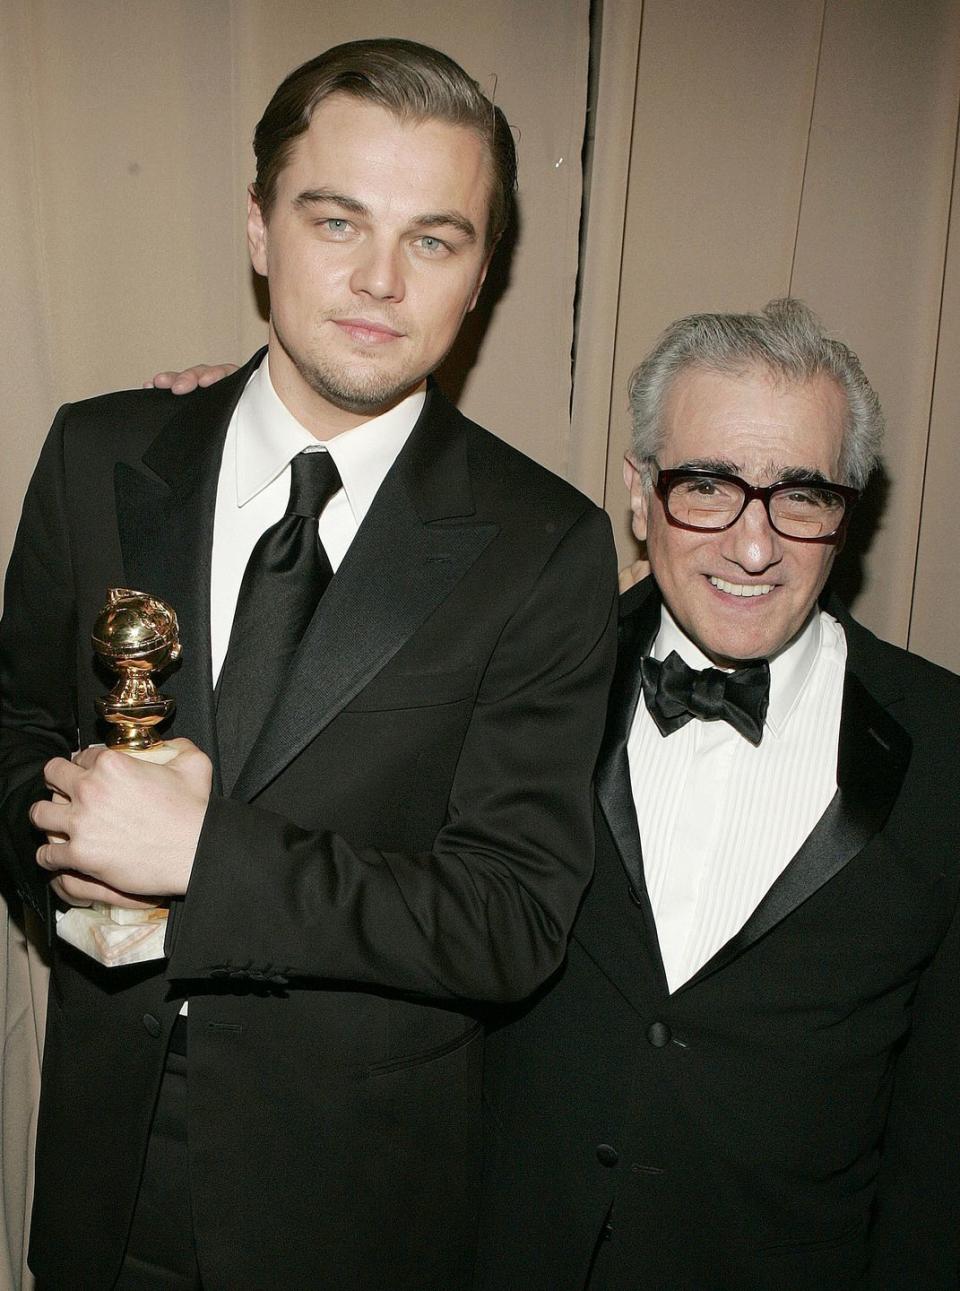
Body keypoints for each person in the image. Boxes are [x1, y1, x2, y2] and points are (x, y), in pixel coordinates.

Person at [0, 38, 617, 1291]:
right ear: (260, 228)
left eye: (434, 240)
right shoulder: (96, 455)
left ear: (481, 274)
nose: (380, 280)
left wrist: (205, 861)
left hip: (353, 1213)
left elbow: (511, 918)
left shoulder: (545, 546)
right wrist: (61, 853)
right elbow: (13, 726)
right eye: (337, 220)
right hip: (95, 1182)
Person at [475, 300, 960, 1290]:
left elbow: (943, 1139)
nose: (753, 547)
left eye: (803, 496)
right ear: (639, 494)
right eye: (707, 485)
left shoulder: (947, 748)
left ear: (847, 513)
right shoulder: (521, 680)